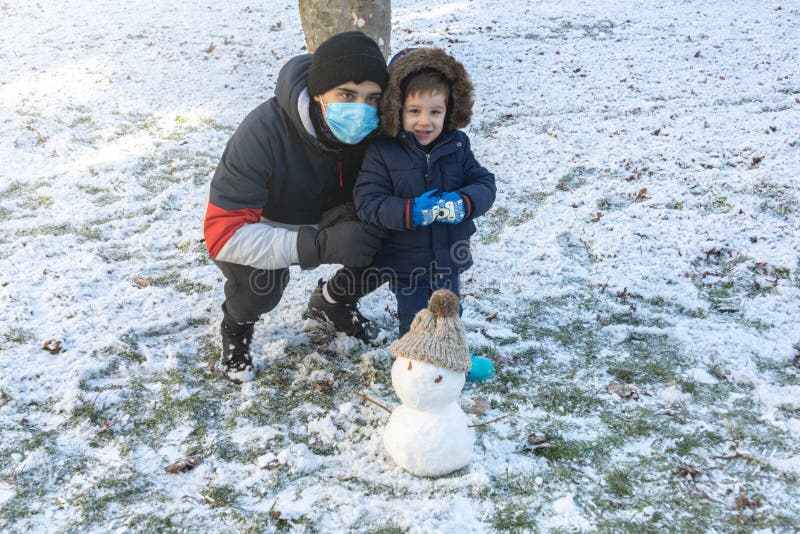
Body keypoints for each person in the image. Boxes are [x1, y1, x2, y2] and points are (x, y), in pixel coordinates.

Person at [203, 32, 390, 384]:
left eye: (372, 99)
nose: (360, 110)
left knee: (393, 238)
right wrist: (317, 245)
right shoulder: (263, 130)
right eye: (347, 95)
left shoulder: (378, 132)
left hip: (330, 220)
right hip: (263, 227)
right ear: (319, 93)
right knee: (262, 286)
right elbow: (222, 233)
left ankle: (333, 302)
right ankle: (237, 325)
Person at [353, 47, 497, 381]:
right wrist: (410, 212)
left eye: (435, 111)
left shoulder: (457, 146)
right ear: (396, 109)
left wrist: (464, 202)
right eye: (414, 110)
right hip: (406, 260)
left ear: (449, 111)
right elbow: (369, 201)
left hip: (449, 253)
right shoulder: (383, 151)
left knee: (449, 312)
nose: (424, 121)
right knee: (416, 318)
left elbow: (484, 183)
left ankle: (454, 360)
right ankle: (416, 370)